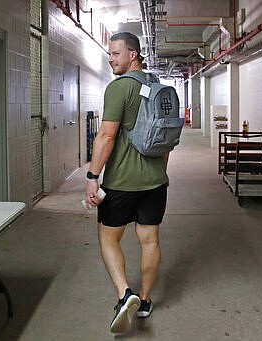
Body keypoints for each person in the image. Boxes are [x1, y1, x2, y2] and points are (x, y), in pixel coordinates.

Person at [84, 31, 170, 334]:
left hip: (121, 183)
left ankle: (124, 294)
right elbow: (166, 141)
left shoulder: (119, 88)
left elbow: (106, 136)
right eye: (109, 54)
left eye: (116, 54)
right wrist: (160, 173)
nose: (111, 59)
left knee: (108, 238)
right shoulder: (158, 87)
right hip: (156, 182)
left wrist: (93, 177)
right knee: (149, 240)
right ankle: (145, 301)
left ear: (133, 54)